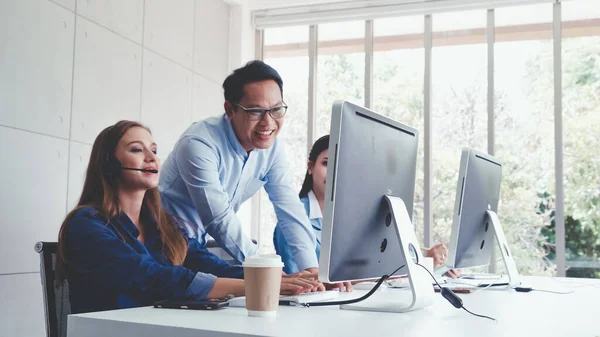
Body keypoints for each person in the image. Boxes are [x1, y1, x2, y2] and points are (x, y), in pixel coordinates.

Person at [55, 120, 320, 314]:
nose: (152, 158)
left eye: (154, 150)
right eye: (137, 150)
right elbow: (153, 278)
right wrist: (257, 285)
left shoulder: (162, 224)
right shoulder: (87, 225)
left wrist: (278, 277)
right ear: (109, 164)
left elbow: (210, 265)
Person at [158, 60, 318, 275]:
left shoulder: (271, 147)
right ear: (230, 110)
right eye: (255, 111)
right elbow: (219, 219)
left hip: (197, 247)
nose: (268, 123)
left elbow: (289, 207)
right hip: (160, 243)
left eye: (276, 109)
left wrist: (312, 269)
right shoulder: (198, 143)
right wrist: (267, 270)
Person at [273, 135, 460, 279]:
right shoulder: (291, 221)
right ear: (311, 167)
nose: (335, 174)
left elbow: (375, 266)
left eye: (343, 166)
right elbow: (303, 281)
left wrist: (434, 266)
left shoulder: (354, 218)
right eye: (327, 163)